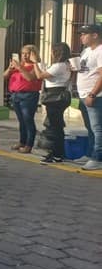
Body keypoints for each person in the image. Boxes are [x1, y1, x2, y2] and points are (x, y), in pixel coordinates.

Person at [32, 43, 72, 164]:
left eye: (52, 51)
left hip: (55, 96)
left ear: (57, 52)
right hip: (55, 95)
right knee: (54, 125)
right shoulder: (62, 65)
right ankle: (54, 152)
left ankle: (58, 154)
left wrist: (35, 62)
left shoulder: (59, 66)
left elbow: (40, 75)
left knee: (55, 126)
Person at [4, 44, 42, 153]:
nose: (25, 56)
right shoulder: (19, 65)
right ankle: (22, 141)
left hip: (28, 95)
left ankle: (29, 144)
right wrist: (10, 68)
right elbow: (4, 76)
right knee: (21, 120)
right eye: (23, 53)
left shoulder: (35, 66)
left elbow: (30, 78)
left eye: (28, 53)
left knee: (28, 120)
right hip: (16, 94)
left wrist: (20, 68)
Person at [76, 24, 102, 170]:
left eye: (85, 34)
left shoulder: (100, 51)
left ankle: (98, 157)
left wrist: (93, 94)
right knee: (90, 128)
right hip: (83, 94)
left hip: (95, 96)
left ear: (95, 35)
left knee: (98, 128)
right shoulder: (86, 51)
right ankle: (91, 152)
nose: (81, 36)